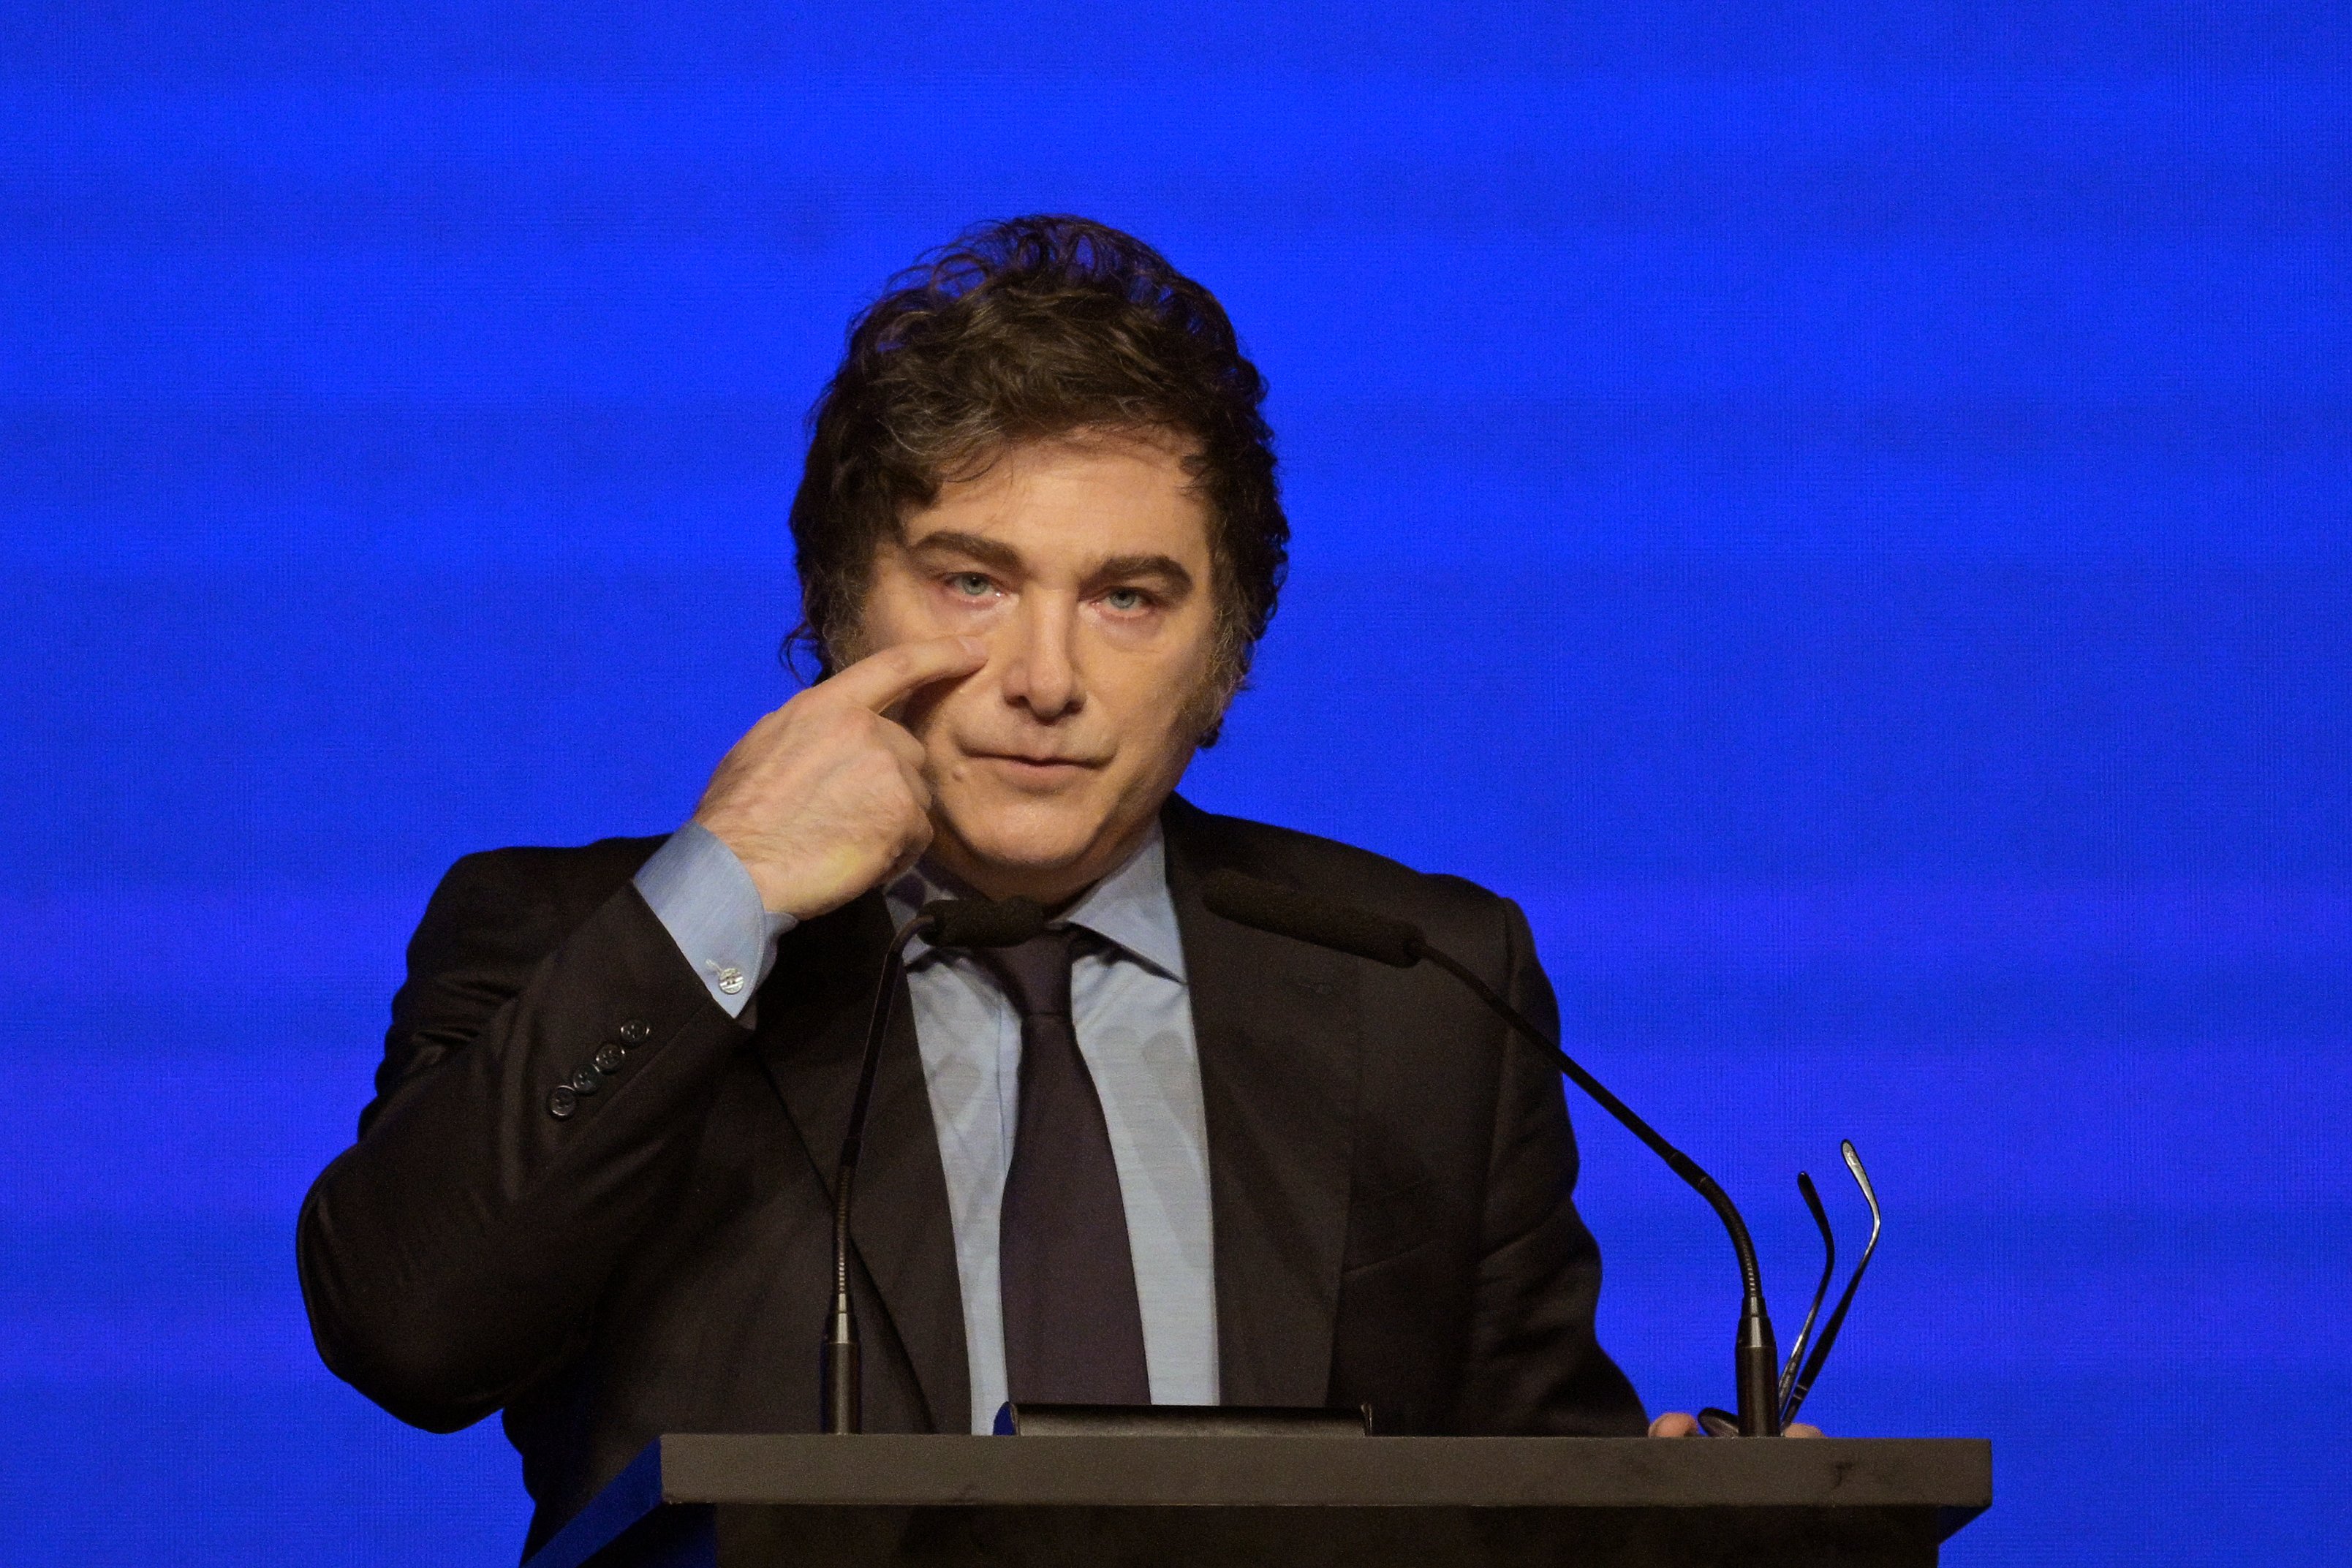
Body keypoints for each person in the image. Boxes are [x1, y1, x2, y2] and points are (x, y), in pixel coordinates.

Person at [297, 216, 1749, 1558]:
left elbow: (1524, 1494)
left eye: (1128, 596)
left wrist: (1691, 1525)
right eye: (971, 581)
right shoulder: (586, 944)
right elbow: (406, 1330)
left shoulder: (1422, 978)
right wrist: (728, 886)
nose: (1044, 680)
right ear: (830, 603)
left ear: (1225, 656)